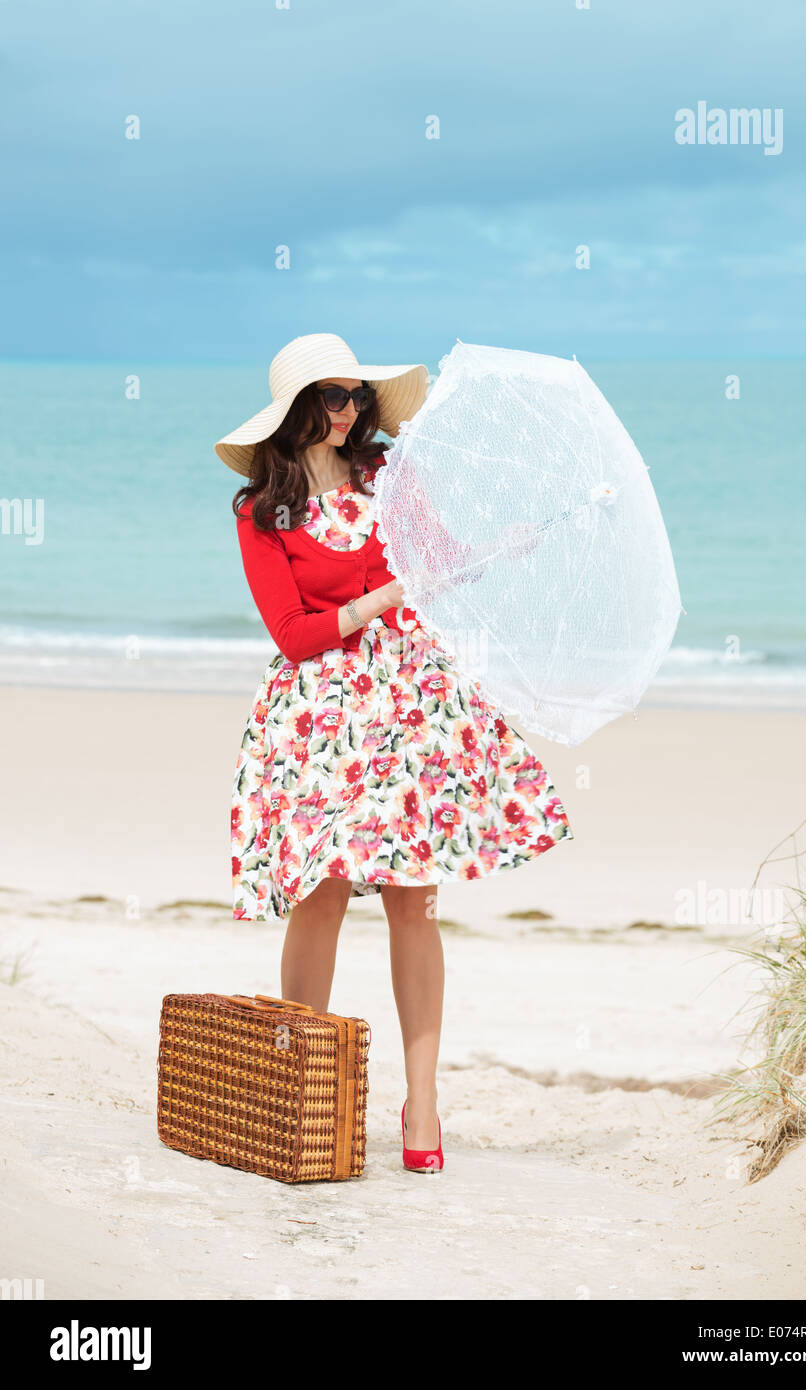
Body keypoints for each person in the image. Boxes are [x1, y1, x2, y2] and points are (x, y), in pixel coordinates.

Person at [214, 333, 574, 1171]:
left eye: (355, 397)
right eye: (332, 397)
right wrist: (383, 595)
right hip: (317, 720)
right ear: (297, 409)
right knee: (322, 892)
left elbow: (438, 569)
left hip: (410, 702)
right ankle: (295, 1085)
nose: (348, 411)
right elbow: (295, 635)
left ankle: (424, 1106)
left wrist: (496, 548)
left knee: (414, 899)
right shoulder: (260, 510)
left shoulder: (388, 479)